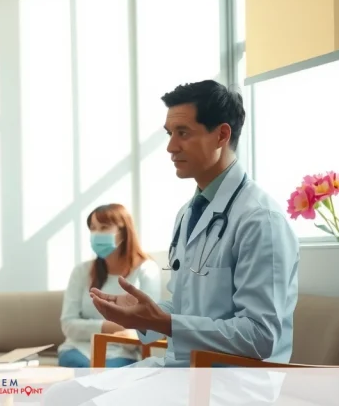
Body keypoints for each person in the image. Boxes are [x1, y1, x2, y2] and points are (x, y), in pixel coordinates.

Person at [42, 80, 300, 406]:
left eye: (183, 133)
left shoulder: (260, 220)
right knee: (59, 395)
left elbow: (260, 336)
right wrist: (138, 314)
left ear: (221, 135)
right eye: (169, 134)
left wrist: (162, 321)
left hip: (231, 385)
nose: (170, 147)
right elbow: (185, 308)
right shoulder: (188, 214)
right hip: (179, 369)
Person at [58, 203, 161, 368]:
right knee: (90, 373)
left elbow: (151, 324)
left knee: (106, 375)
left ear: (124, 232)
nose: (96, 234)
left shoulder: (147, 269)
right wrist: (110, 327)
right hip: (78, 350)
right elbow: (68, 324)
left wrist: (130, 333)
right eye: (93, 228)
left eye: (104, 227)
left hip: (123, 353)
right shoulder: (81, 272)